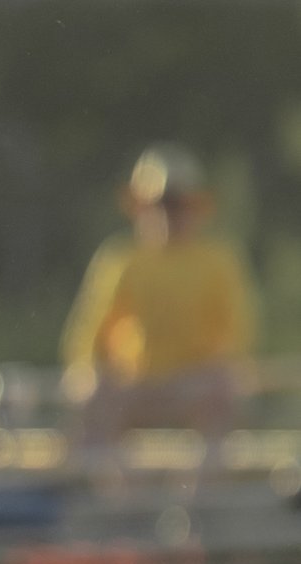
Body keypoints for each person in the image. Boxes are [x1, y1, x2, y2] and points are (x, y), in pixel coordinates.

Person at [62, 146, 258, 470]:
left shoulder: (219, 261)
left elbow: (238, 334)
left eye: (177, 205)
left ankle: (196, 510)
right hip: (135, 385)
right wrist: (91, 374)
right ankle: (121, 505)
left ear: (195, 208)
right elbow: (87, 335)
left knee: (221, 390)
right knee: (92, 394)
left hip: (193, 384)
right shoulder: (121, 260)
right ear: (141, 209)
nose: (168, 215)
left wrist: (217, 371)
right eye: (159, 205)